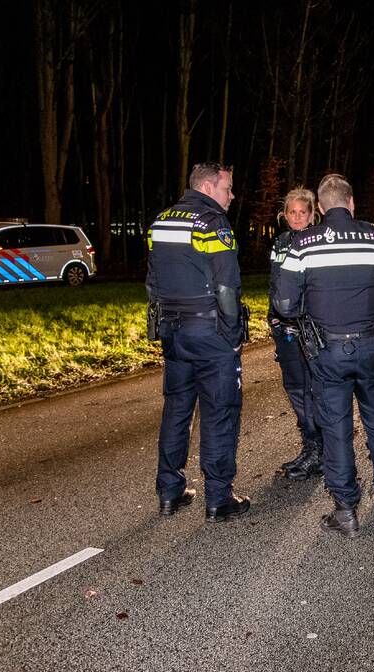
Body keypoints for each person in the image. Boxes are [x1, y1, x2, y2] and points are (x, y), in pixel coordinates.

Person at [273, 173, 374, 538]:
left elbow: (285, 303)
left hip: (327, 351)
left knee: (335, 430)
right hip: (371, 348)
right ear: (351, 203)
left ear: (319, 207)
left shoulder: (303, 244)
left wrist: (310, 312)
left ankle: (346, 511)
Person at [146, 161, 251, 523]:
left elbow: (153, 283)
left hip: (173, 331)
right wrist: (233, 334)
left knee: (177, 410)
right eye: (228, 187)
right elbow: (226, 286)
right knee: (220, 411)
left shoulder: (161, 221)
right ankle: (219, 499)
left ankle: (169, 491)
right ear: (208, 187)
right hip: (209, 333)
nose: (232, 195)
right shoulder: (212, 223)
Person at [268, 188, 323, 480]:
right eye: (292, 212)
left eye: (303, 212)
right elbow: (275, 285)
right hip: (285, 330)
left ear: (313, 214)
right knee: (296, 389)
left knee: (315, 389)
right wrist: (273, 321)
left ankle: (322, 451)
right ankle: (310, 447)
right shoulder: (280, 242)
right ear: (284, 214)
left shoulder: (320, 242)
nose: (298, 217)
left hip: (312, 330)